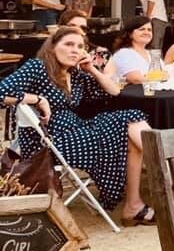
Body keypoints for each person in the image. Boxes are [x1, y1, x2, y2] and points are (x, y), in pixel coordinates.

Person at [0, 27, 154, 225]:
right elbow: (1, 91)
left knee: (131, 121)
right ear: (53, 47)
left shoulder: (77, 75)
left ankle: (134, 203)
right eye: (69, 44)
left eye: (80, 46)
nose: (75, 50)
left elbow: (114, 91)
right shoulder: (38, 67)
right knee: (128, 123)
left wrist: (91, 69)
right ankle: (161, 171)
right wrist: (36, 99)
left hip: (77, 130)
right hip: (48, 140)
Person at [105, 16, 154, 84]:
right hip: (135, 93)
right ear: (130, 34)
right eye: (141, 29)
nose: (146, 32)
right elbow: (136, 79)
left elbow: (166, 74)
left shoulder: (151, 54)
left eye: (149, 30)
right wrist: (161, 78)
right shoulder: (123, 54)